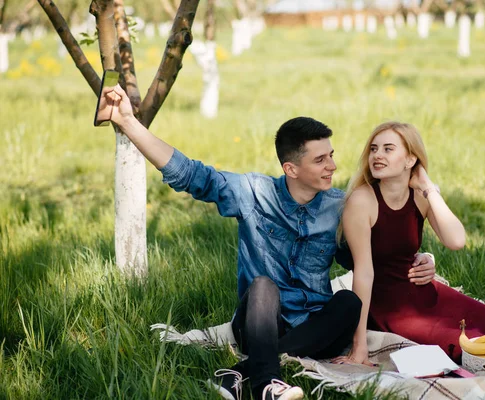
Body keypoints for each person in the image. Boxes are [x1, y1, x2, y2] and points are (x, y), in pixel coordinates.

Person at [103, 86, 437, 399]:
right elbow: (190, 174)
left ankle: (238, 374)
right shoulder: (254, 193)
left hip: (317, 327)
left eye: (331, 156)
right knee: (263, 286)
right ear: (291, 168)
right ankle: (266, 384)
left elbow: (365, 258)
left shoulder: (339, 206)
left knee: (349, 302)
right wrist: (129, 122)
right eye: (320, 160)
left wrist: (420, 257)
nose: (333, 166)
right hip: (260, 324)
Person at [332, 121, 485, 365]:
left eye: (388, 149)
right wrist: (360, 349)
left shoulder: (421, 196)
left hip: (426, 292)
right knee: (477, 354)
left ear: (410, 160)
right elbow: (364, 273)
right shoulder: (362, 200)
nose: (377, 155)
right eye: (374, 149)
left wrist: (429, 188)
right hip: (391, 308)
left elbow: (456, 240)